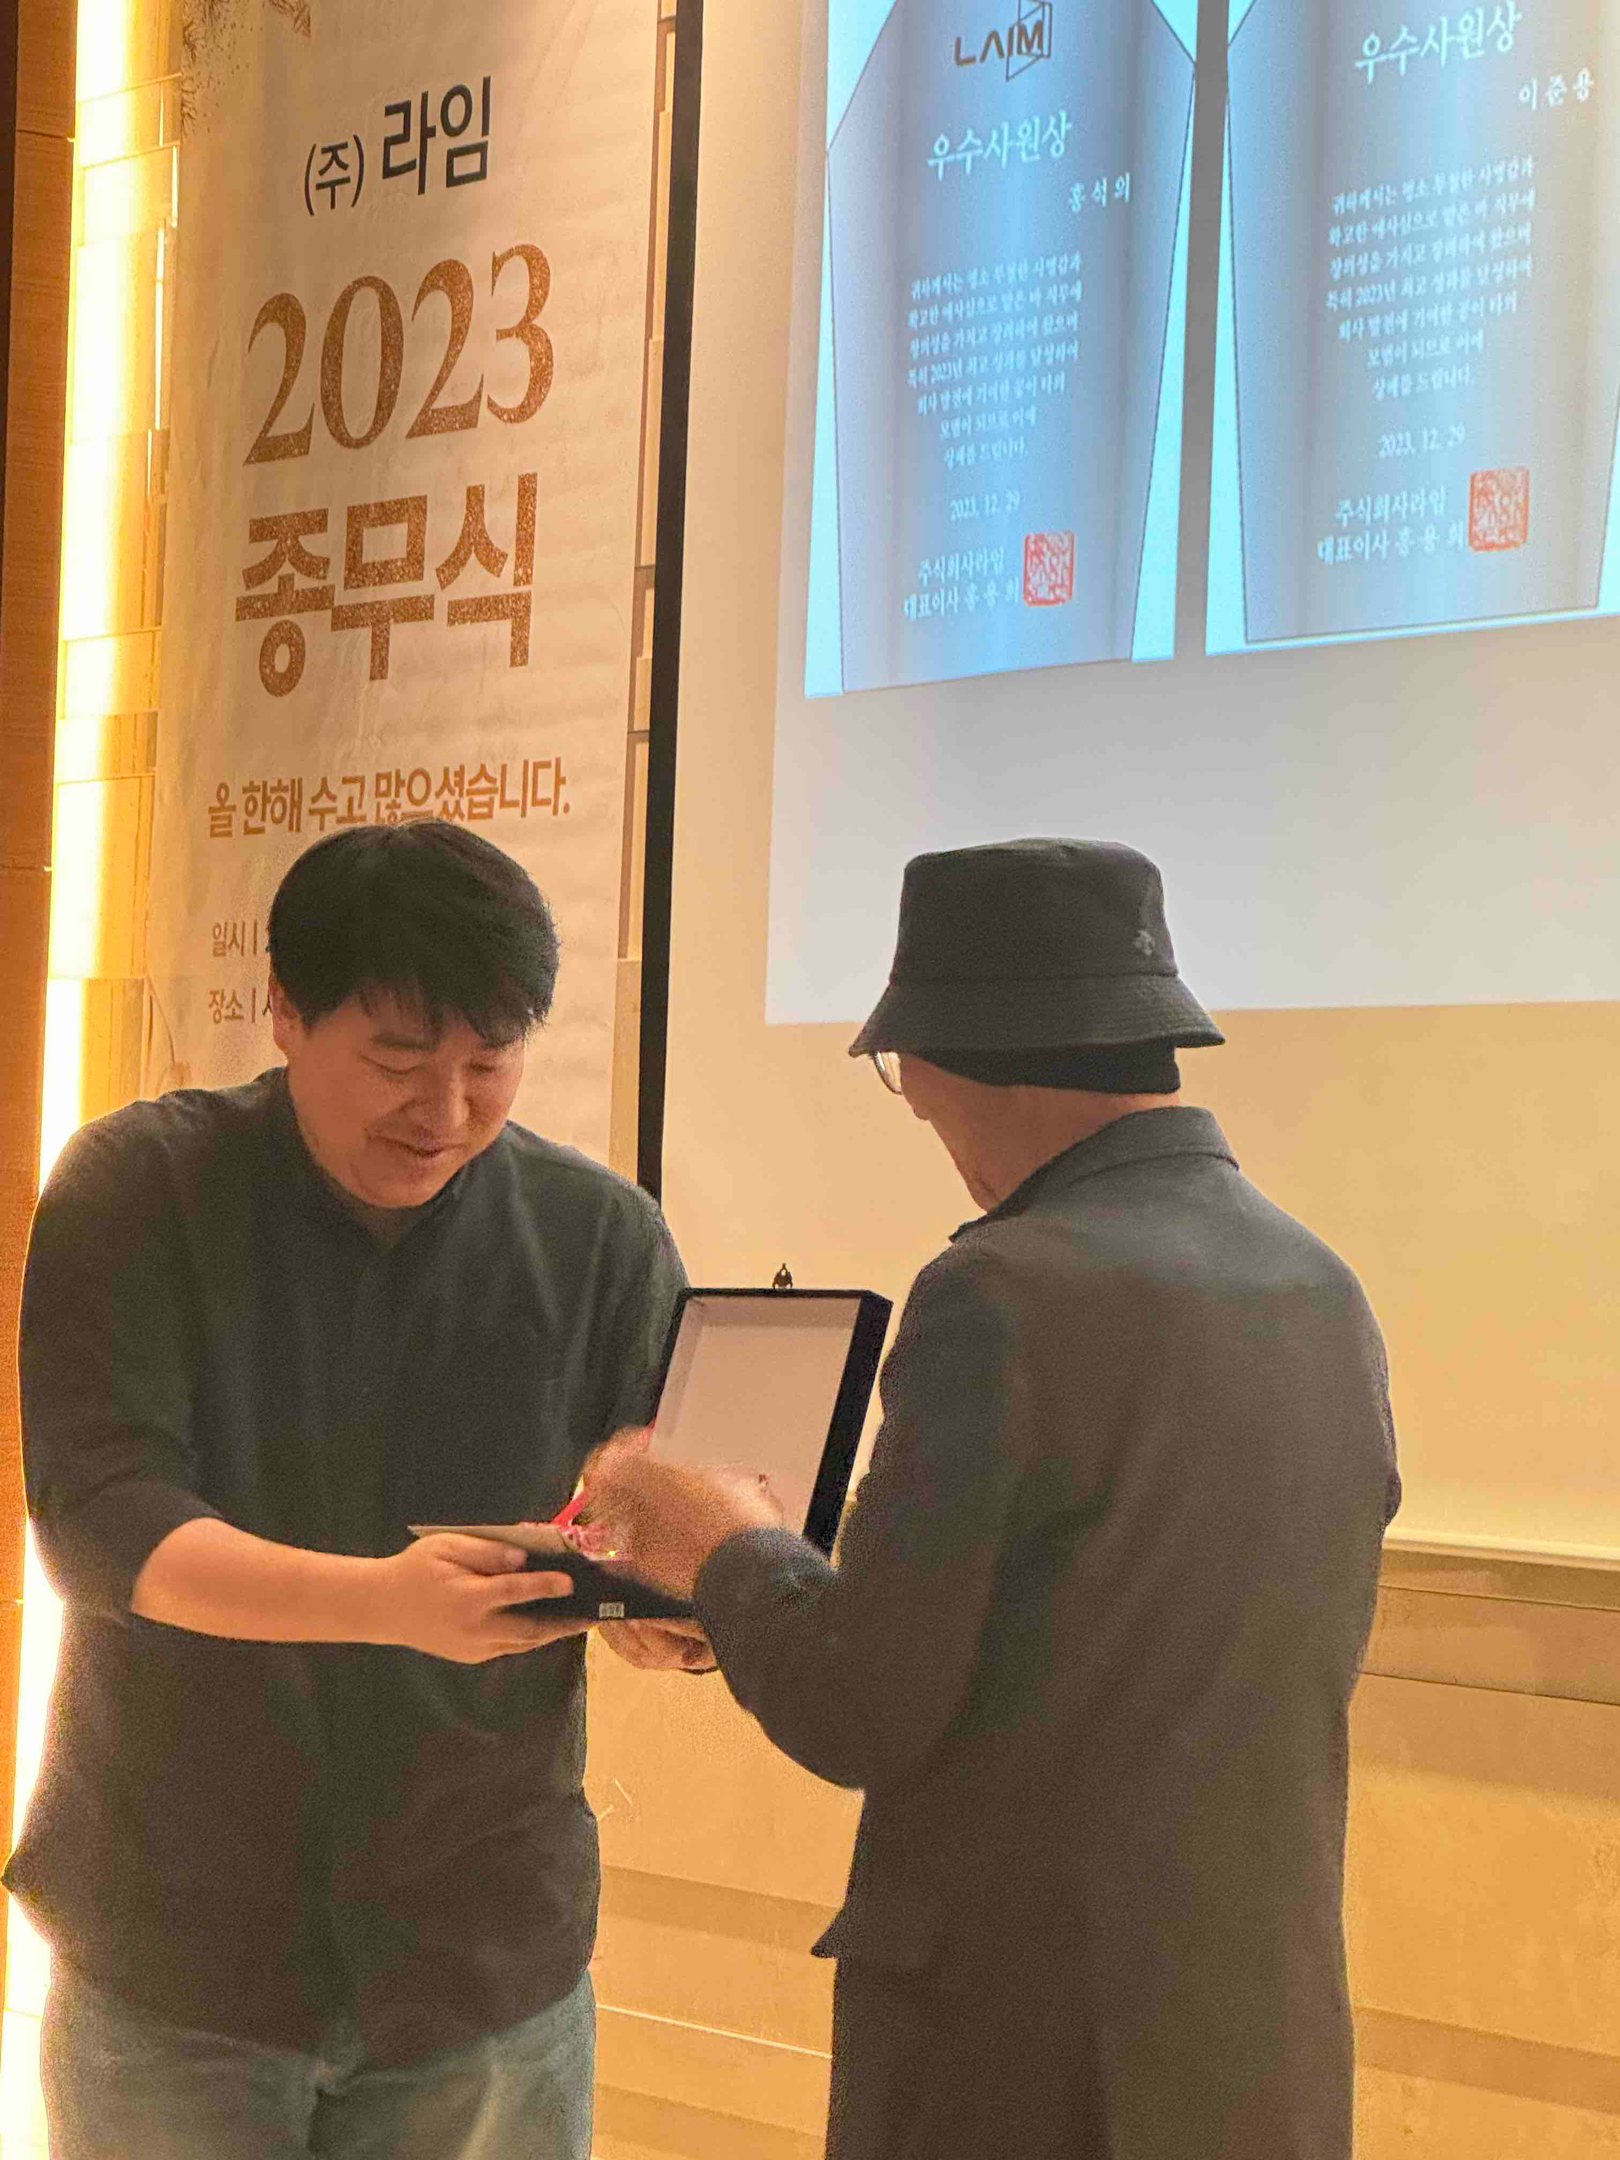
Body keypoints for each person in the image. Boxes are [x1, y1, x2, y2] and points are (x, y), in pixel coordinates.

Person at [587, 837, 1404, 2160]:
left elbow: (863, 1703)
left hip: (1021, 2058)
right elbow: (1087, 1654)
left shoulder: (999, 1292)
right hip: (1259, 2047)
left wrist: (720, 1539)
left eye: (903, 1075)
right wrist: (746, 1602)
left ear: (951, 1061)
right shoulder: (1322, 1288)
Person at [8, 820, 706, 2160]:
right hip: (179, 1940)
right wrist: (383, 1603)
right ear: (283, 1010)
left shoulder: (601, 1236)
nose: (443, 1112)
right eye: (396, 1060)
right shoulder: (141, 1186)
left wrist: (672, 1609)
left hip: (481, 1945)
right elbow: (100, 1518)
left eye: (488, 1066)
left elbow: (647, 1518)